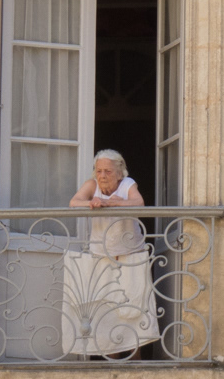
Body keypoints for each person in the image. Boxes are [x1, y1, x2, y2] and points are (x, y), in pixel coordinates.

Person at [62, 150, 157, 358]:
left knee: (134, 308)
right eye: (99, 171)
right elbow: (74, 202)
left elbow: (138, 202)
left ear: (120, 173)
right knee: (106, 312)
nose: (102, 175)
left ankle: (136, 362)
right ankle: (111, 361)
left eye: (108, 171)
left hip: (130, 257)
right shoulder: (92, 185)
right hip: (101, 258)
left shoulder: (127, 184)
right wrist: (92, 202)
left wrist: (112, 202)